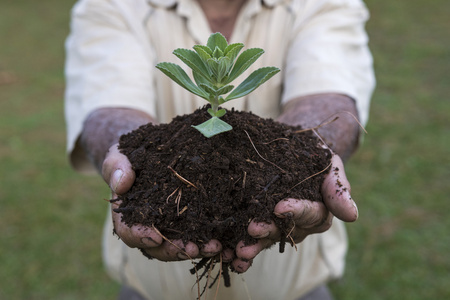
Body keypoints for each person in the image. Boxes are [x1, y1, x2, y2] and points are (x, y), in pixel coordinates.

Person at [64, 0, 375, 299]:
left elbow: (328, 94)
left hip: (296, 291)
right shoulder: (111, 4)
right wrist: (126, 149)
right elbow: (108, 107)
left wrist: (310, 150)